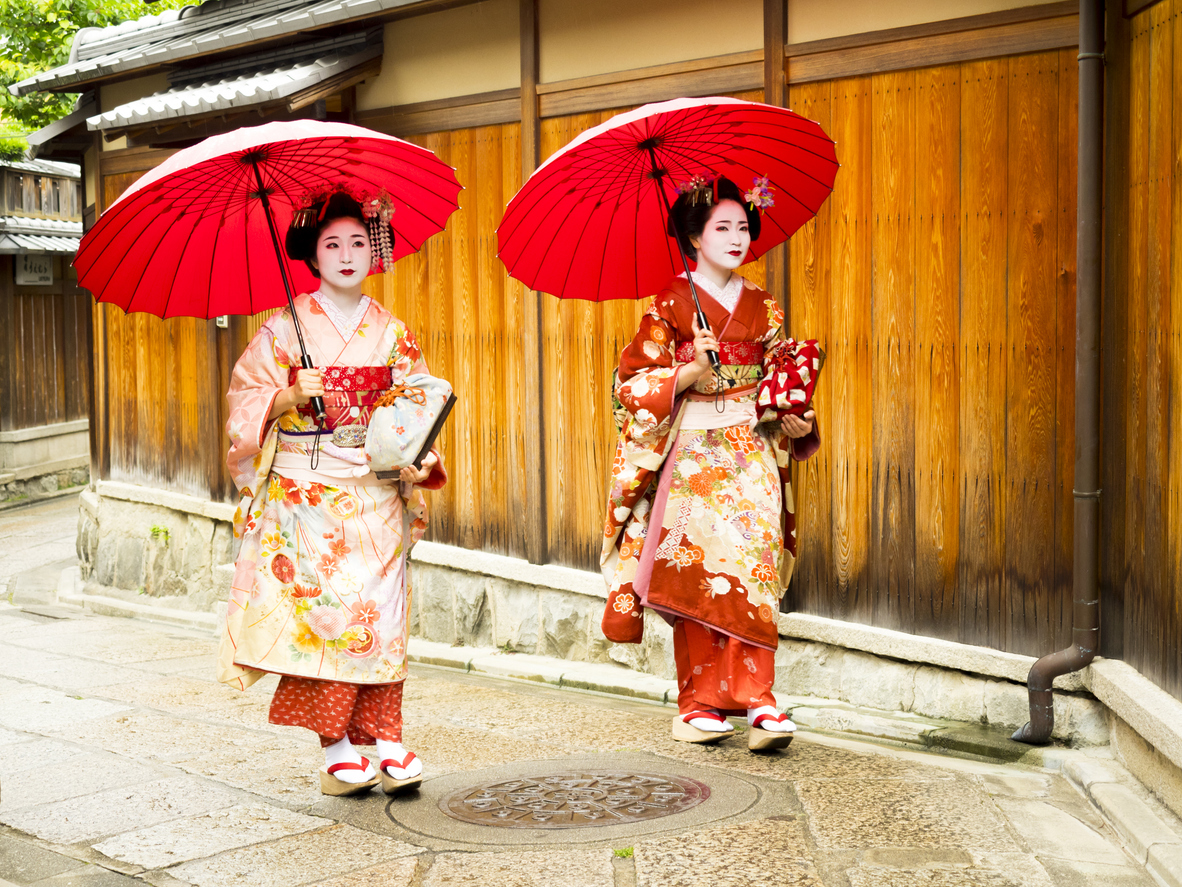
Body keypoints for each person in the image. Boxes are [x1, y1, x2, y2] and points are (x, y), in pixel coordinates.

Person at [216, 191, 446, 796]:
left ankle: (388, 739)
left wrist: (418, 456)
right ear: (311, 257)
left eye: (356, 242)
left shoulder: (392, 333)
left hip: (375, 490)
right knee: (328, 619)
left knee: (384, 616)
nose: (347, 255)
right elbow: (243, 402)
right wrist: (286, 397)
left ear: (375, 249)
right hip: (307, 494)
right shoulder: (281, 329)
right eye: (331, 244)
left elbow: (417, 408)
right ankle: (338, 747)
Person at [601, 175, 819, 752]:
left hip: (749, 447)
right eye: (720, 227)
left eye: (743, 226)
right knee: (696, 572)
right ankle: (696, 702)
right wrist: (689, 372)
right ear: (693, 237)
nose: (735, 237)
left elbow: (781, 381)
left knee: (753, 566)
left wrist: (794, 417)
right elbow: (629, 385)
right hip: (693, 449)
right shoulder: (668, 306)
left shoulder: (763, 305)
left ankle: (760, 699)